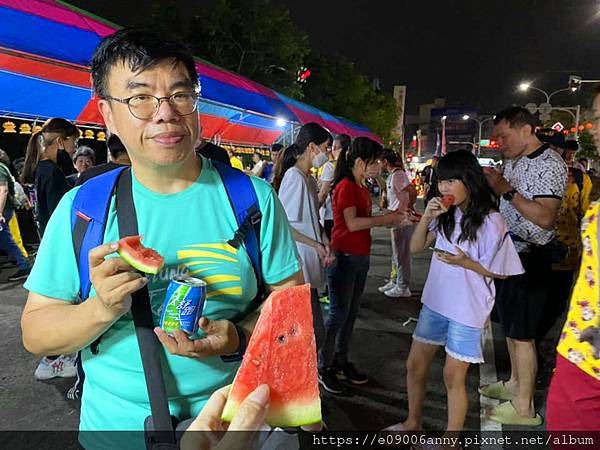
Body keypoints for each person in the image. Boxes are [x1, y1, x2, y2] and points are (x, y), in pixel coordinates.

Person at [20, 28, 302, 450]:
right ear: (109, 115)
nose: (164, 113)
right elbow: (36, 334)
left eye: (179, 95)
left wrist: (238, 337)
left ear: (196, 103)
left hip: (230, 425)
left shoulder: (252, 198)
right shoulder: (84, 208)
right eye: (140, 98)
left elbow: (289, 306)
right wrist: (100, 308)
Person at [384, 150, 523, 437]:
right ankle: (413, 423)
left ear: (469, 180)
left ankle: (451, 440)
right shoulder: (446, 214)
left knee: (452, 376)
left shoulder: (492, 220)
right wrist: (426, 217)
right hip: (435, 303)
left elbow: (503, 271)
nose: (444, 188)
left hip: (467, 310)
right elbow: (415, 248)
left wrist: (465, 262)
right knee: (414, 366)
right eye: (441, 181)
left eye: (452, 181)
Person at [481, 106, 567, 426]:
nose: (499, 143)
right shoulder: (513, 161)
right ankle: (515, 384)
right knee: (512, 327)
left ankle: (524, 408)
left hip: (532, 256)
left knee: (523, 334)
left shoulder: (549, 163)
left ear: (527, 130)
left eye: (504, 136)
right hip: (509, 251)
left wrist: (507, 189)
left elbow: (545, 217)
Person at [317, 137, 401, 394]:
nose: (378, 166)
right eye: (375, 162)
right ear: (361, 162)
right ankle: (323, 367)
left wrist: (394, 219)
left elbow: (367, 220)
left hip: (359, 256)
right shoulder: (345, 186)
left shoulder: (361, 186)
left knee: (350, 315)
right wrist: (387, 218)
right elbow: (352, 223)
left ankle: (340, 362)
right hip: (344, 257)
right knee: (338, 314)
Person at [546, 87, 600, 442]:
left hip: (590, 362)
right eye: (595, 116)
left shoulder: (580, 178)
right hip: (582, 350)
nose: (594, 126)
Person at [275, 123, 334, 354]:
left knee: (313, 333)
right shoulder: (294, 178)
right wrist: (316, 245)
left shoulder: (308, 179)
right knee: (312, 335)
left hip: (311, 263)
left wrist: (325, 241)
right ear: (312, 147)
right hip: (300, 268)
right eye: (326, 148)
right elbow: (284, 227)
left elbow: (313, 220)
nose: (327, 154)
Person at [20, 117, 78, 237]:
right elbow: (59, 213)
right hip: (56, 239)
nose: (75, 147)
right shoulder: (51, 172)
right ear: (60, 142)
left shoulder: (40, 168)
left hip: (45, 236)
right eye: (74, 141)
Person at [379, 149, 417, 298]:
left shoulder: (398, 175)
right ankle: (396, 281)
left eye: (379, 161)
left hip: (403, 220)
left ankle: (402, 286)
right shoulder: (393, 175)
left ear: (385, 162)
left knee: (402, 254)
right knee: (397, 254)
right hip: (395, 220)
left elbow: (412, 192)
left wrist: (409, 207)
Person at [0, 149, 32, 281]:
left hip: (4, 210)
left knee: (7, 239)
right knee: (6, 239)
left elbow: (3, 190)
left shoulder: (0, 169)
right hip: (4, 210)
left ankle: (24, 265)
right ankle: (24, 265)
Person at [319, 134, 349, 240]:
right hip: (348, 215)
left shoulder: (330, 166)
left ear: (334, 147)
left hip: (331, 216)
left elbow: (323, 193)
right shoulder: (351, 166)